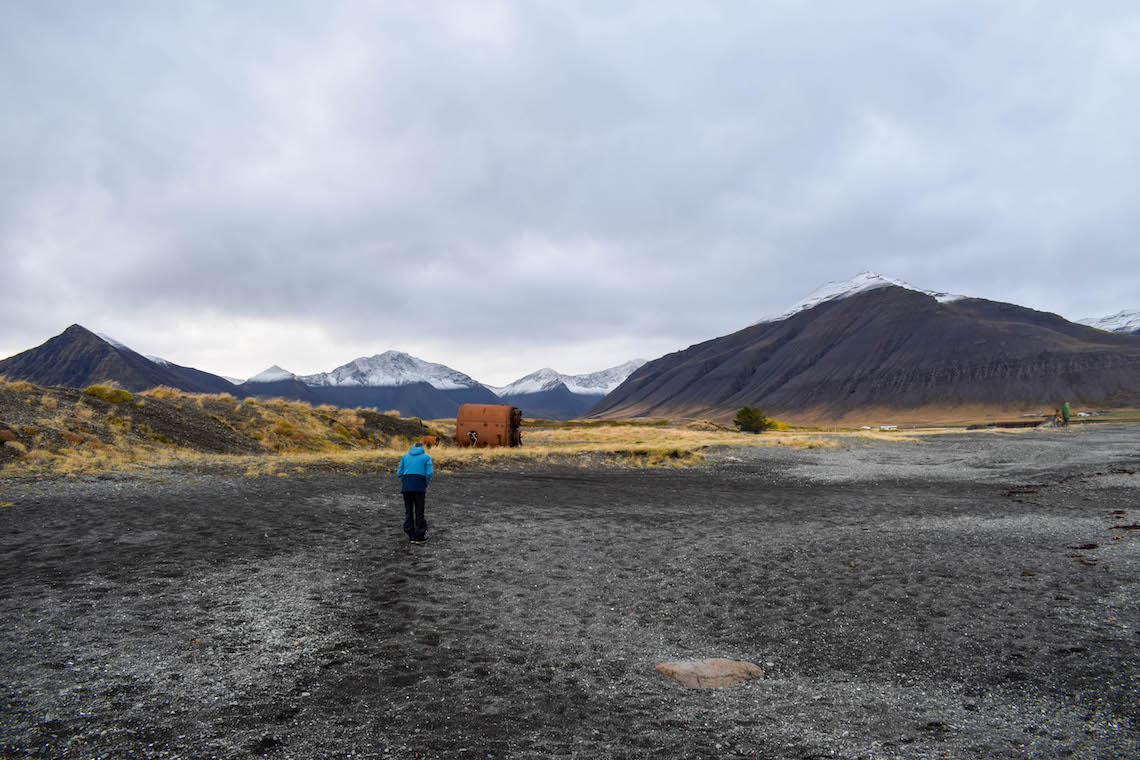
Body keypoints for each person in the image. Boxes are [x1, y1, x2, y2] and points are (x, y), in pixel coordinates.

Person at [397, 440, 433, 544]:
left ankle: (411, 535)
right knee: (419, 511)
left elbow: (399, 472)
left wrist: (405, 481)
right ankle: (420, 536)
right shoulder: (426, 457)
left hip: (407, 486)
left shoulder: (405, 456)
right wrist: (425, 483)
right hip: (419, 486)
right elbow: (429, 473)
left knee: (408, 511)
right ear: (422, 448)